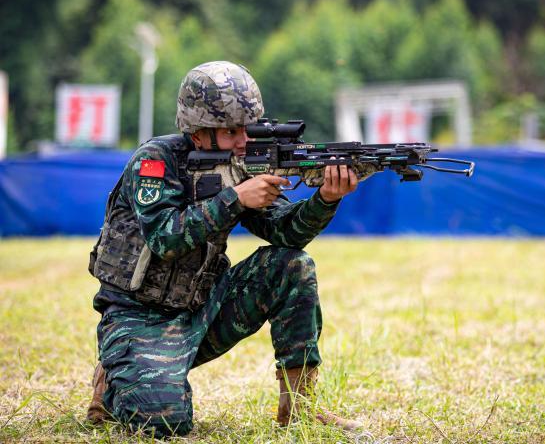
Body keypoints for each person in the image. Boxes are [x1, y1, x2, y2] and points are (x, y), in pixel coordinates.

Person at [86, 61, 361, 437]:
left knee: (293, 266)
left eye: (247, 129)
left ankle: (299, 408)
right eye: (231, 131)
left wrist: (326, 199)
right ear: (198, 135)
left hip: (202, 307)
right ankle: (115, 377)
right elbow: (164, 239)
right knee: (164, 422)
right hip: (139, 316)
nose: (243, 140)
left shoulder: (239, 165)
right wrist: (235, 199)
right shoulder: (154, 162)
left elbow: (287, 234)